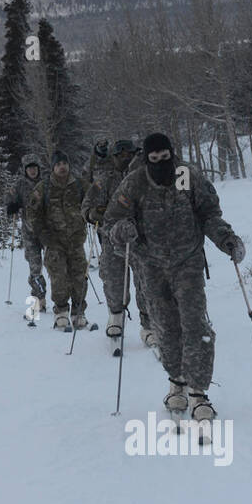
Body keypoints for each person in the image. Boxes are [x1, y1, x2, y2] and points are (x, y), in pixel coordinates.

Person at [103, 133, 246, 422]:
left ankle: (198, 393)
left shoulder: (185, 176)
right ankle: (176, 383)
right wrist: (124, 230)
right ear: (146, 158)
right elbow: (112, 222)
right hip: (151, 266)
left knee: (195, 324)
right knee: (166, 328)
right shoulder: (135, 182)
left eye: (164, 157)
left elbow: (209, 215)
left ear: (172, 154)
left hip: (187, 262)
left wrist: (226, 239)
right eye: (153, 158)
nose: (160, 163)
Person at [83, 138, 156, 349]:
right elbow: (86, 205)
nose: (125, 158)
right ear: (113, 158)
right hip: (112, 238)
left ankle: (149, 325)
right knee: (114, 282)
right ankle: (115, 316)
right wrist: (92, 213)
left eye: (129, 154)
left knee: (146, 283)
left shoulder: (144, 176)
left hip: (141, 240)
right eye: (120, 155)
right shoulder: (104, 179)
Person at [25, 150, 89, 331]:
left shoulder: (79, 185)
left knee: (79, 278)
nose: (62, 167)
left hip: (76, 240)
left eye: (65, 164)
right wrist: (43, 235)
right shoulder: (43, 187)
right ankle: (61, 312)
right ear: (53, 167)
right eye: (58, 164)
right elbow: (32, 213)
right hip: (54, 242)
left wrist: (92, 214)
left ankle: (79, 312)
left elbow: (92, 200)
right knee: (59, 278)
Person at [5, 154, 46, 312]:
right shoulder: (20, 184)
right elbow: (9, 198)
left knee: (54, 265)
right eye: (30, 168)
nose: (33, 171)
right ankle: (39, 298)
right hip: (29, 232)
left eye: (35, 168)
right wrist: (12, 205)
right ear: (25, 170)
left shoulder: (46, 183)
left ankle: (60, 298)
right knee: (35, 267)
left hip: (47, 230)